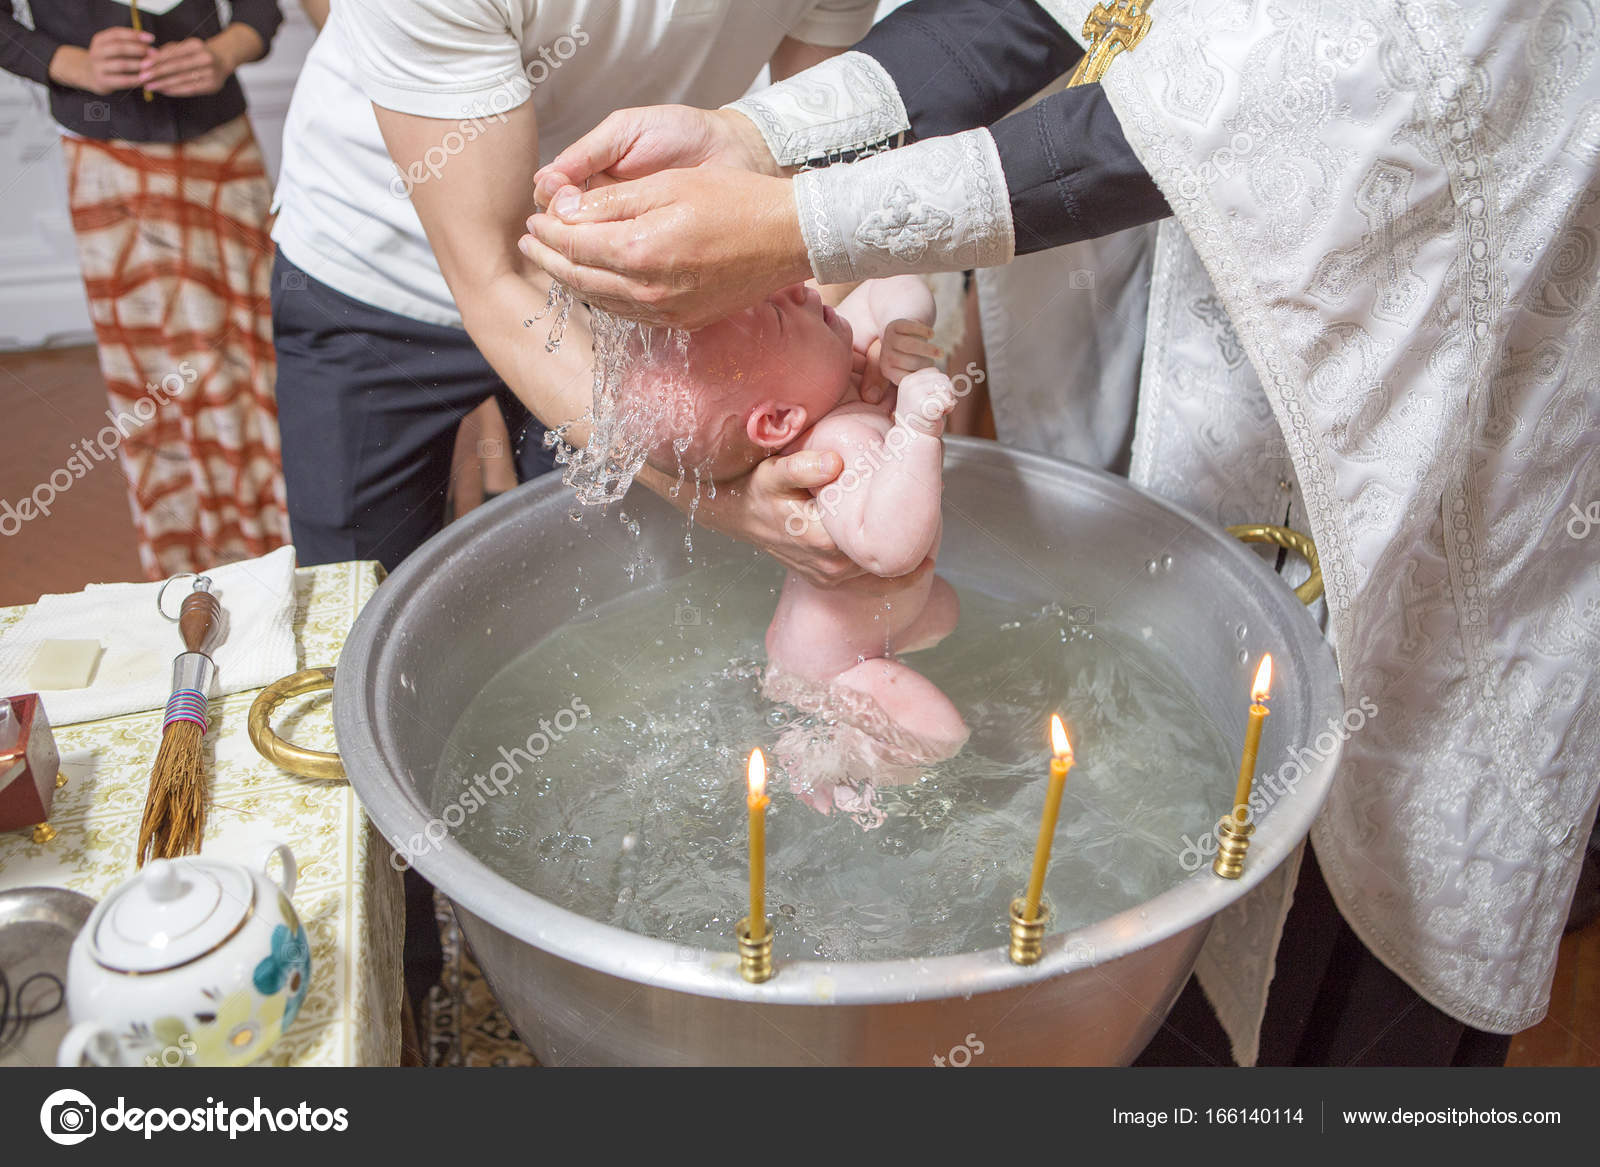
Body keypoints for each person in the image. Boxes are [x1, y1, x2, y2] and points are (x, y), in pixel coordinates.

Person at [518, 0, 1600, 1067]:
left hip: (1423, 329)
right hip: (1148, 374)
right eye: (781, 306)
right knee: (1143, 872)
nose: (803, 297)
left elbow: (1273, 94)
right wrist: (762, 138)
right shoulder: (829, 429)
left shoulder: (829, 395)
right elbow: (1078, 12)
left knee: (1355, 876)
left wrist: (801, 222)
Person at [276, 0, 882, 579]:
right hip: (377, 269)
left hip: (641, 278)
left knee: (601, 580)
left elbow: (810, 183)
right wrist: (720, 502)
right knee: (358, 585)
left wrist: (813, 395)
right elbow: (498, 276)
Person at [628, 277, 966, 822]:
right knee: (939, 735)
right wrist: (915, 431)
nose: (799, 291)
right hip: (835, 671)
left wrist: (902, 326)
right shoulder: (834, 449)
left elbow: (888, 286)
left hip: (858, 631)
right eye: (781, 313)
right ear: (779, 420)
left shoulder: (834, 366)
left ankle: (849, 701)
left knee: (945, 612)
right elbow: (890, 549)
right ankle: (824, 755)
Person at [0, 0, 288, 578]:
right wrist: (67, 61)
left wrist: (223, 52)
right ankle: (188, 565)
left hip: (222, 149)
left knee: (263, 347)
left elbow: (262, 10)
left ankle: (290, 544)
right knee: (152, 375)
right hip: (105, 159)